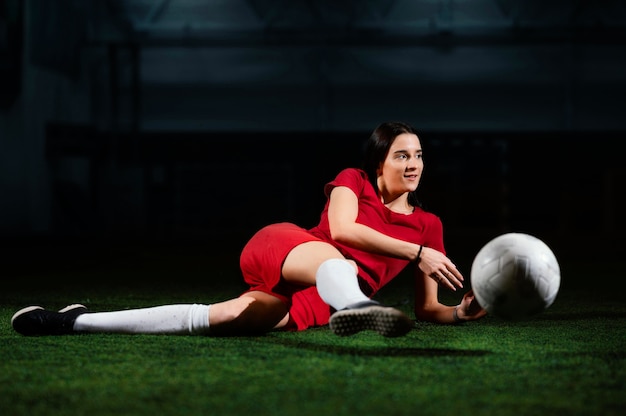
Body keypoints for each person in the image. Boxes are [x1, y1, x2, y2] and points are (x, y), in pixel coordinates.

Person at [11, 121, 487, 338]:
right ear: (378, 161)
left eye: (420, 154)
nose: (414, 163)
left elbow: (427, 310)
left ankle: (72, 321)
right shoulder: (353, 180)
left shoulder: (429, 225)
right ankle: (360, 308)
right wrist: (414, 253)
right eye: (403, 154)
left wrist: (460, 313)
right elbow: (341, 230)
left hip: (318, 303)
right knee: (338, 261)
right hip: (288, 249)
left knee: (225, 318)